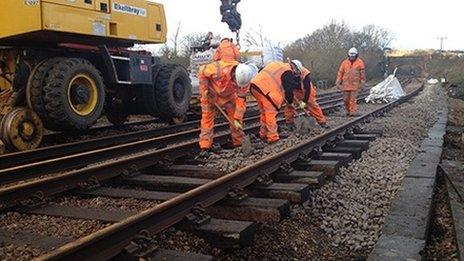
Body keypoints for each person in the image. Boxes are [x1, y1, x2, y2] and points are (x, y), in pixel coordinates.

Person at [198, 60, 256, 154]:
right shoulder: (218, 69)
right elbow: (201, 71)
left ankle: (239, 143)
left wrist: (237, 118)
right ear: (234, 74)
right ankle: (205, 146)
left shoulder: (245, 81)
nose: (236, 84)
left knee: (235, 119)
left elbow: (241, 101)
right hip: (210, 95)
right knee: (207, 120)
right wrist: (204, 89)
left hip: (229, 96)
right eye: (235, 81)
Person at [249, 60, 302, 143]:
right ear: (294, 67)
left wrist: (289, 100)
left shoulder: (278, 65)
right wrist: (290, 102)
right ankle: (272, 137)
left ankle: (263, 134)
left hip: (254, 86)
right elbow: (289, 89)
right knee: (270, 112)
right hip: (265, 89)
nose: (294, 74)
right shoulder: (287, 71)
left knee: (264, 112)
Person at [283, 60, 327, 128]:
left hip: (306, 91)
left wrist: (304, 102)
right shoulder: (288, 73)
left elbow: (308, 90)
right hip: (295, 91)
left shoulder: (305, 75)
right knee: (289, 105)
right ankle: (289, 123)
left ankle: (322, 122)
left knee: (312, 105)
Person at [336, 47, 366, 116]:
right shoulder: (344, 63)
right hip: (345, 85)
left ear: (356, 55)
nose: (352, 57)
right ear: (348, 55)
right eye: (351, 56)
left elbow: (362, 74)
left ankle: (352, 112)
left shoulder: (360, 62)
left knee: (353, 100)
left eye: (353, 56)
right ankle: (348, 111)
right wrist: (338, 82)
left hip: (355, 85)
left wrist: (362, 83)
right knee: (345, 100)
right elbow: (340, 73)